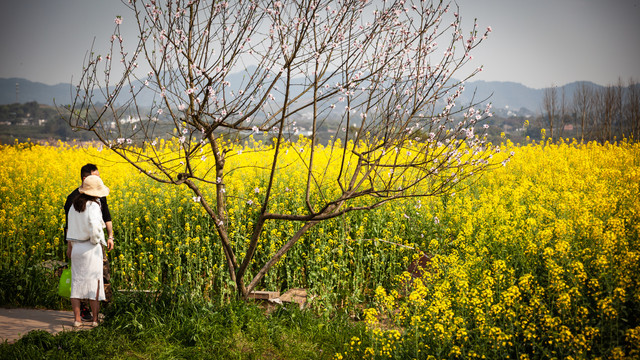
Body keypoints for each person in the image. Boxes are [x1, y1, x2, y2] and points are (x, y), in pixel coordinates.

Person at [64, 164, 114, 322]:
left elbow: (69, 228)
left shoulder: (73, 205)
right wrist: (98, 241)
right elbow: (94, 230)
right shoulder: (93, 205)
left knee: (77, 283)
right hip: (91, 248)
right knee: (95, 284)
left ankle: (77, 320)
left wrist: (70, 246)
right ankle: (95, 320)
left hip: (76, 247)